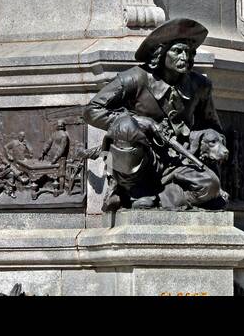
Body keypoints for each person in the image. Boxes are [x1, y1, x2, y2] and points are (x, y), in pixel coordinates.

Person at [85, 18, 227, 210]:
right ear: (161, 53)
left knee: (211, 187)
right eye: (177, 51)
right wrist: (140, 121)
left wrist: (206, 144)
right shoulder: (134, 78)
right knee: (126, 127)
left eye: (188, 52)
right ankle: (136, 192)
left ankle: (165, 197)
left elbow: (211, 125)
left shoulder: (200, 86)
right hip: (142, 158)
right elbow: (92, 110)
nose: (184, 57)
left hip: (180, 158)